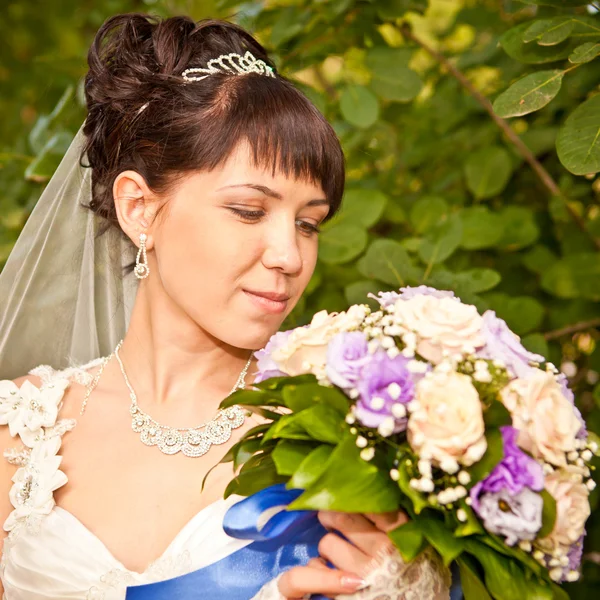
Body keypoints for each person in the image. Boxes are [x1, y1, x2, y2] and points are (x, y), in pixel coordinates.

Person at [0, 13, 451, 599]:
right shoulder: (21, 434)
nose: (288, 255)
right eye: (247, 211)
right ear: (140, 209)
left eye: (309, 224)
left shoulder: (348, 439)